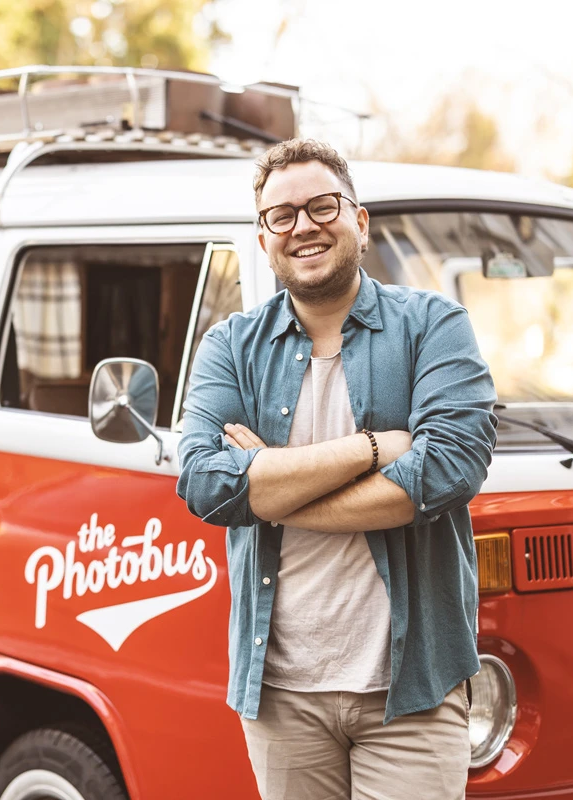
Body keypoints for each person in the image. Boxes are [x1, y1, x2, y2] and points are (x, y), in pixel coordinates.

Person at [176, 138, 497, 800]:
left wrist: (268, 485)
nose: (304, 226)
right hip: (280, 693)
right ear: (263, 239)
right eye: (281, 215)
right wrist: (372, 449)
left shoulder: (433, 326)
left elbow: (448, 469)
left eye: (322, 206)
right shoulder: (229, 347)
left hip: (414, 690)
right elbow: (206, 486)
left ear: (359, 220)